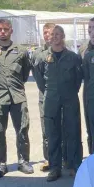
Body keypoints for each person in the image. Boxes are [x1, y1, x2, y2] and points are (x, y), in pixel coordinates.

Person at [0, 19, 33, 178]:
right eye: (0, 29)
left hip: (17, 97)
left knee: (22, 129)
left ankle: (23, 161)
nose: (2, 32)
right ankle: (1, 164)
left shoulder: (21, 51)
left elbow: (24, 74)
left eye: (5, 29)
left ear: (11, 31)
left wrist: (15, 86)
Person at [36, 25, 83, 182]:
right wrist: (52, 91)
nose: (55, 37)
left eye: (58, 34)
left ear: (63, 36)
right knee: (53, 133)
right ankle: (55, 167)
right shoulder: (42, 57)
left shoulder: (74, 57)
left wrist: (68, 91)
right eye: (52, 34)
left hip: (70, 97)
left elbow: (78, 79)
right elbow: (40, 79)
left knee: (73, 131)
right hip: (51, 99)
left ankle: (74, 164)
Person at [31, 23, 56, 171]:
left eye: (50, 32)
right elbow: (37, 75)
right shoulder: (37, 54)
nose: (47, 35)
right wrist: (46, 91)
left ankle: (65, 158)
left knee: (63, 127)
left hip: (61, 96)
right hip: (45, 96)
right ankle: (49, 159)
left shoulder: (63, 51)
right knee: (47, 130)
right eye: (45, 32)